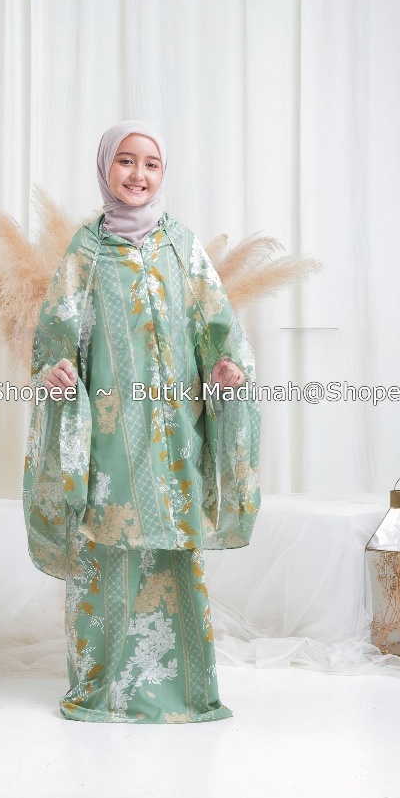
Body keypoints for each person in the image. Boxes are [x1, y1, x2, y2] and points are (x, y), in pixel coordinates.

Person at [22, 119, 261, 724]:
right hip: (107, 434)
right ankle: (102, 690)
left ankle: (186, 692)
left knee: (173, 545)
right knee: (106, 543)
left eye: (151, 164)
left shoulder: (183, 248)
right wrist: (55, 369)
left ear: (163, 173)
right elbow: (55, 335)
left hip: (175, 429)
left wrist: (226, 366)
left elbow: (217, 327)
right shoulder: (85, 252)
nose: (138, 174)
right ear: (106, 167)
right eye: (125, 161)